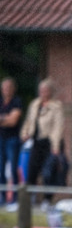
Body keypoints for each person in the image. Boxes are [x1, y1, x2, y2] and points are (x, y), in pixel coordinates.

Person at [20, 78, 66, 204]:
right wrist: (25, 134)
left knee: (48, 173)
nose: (43, 93)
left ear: (50, 92)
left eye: (45, 90)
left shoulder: (56, 106)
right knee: (31, 172)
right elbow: (29, 121)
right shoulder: (35, 104)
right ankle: (28, 200)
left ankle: (47, 200)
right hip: (36, 142)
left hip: (49, 143)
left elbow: (58, 127)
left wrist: (55, 146)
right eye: (41, 90)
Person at [0, 77, 22, 208]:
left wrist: (2, 118)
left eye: (9, 87)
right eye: (4, 87)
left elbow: (14, 121)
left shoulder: (17, 101)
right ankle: (2, 198)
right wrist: (6, 118)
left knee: (13, 169)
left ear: (13, 89)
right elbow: (10, 119)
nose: (6, 90)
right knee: (0, 169)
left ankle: (14, 199)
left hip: (13, 139)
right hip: (1, 138)